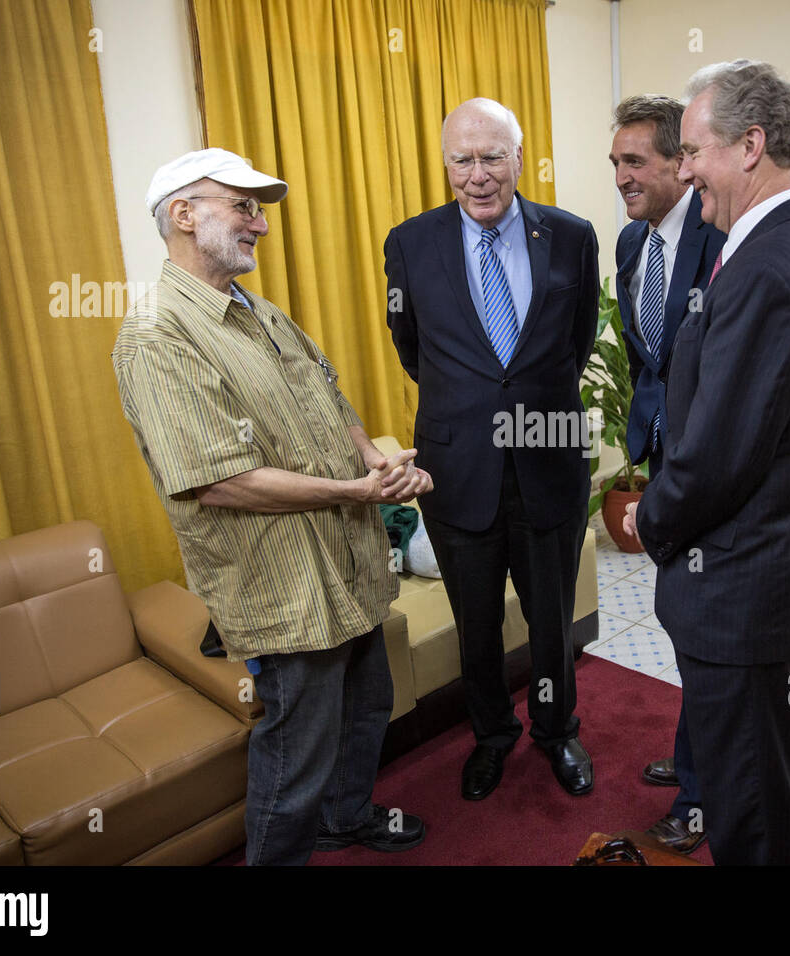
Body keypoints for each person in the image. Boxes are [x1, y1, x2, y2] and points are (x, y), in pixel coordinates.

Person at [112, 148, 431, 866]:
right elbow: (217, 481)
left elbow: (331, 401)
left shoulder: (262, 313)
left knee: (367, 709)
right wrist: (356, 493)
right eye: (243, 206)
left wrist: (375, 461)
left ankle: (346, 821)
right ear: (184, 215)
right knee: (295, 761)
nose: (260, 223)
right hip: (283, 589)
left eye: (260, 209)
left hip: (345, 565)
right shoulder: (156, 335)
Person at [624, 61, 790, 865]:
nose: (684, 169)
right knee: (765, 771)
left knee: (748, 803)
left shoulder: (768, 267)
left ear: (751, 145)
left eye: (693, 150)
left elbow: (719, 457)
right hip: (772, 569)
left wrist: (647, 517)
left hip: (743, 584)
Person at [384, 98, 600, 801]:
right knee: (475, 623)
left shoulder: (570, 236)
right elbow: (412, 349)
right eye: (461, 159)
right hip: (459, 469)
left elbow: (574, 341)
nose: (477, 175)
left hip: (549, 459)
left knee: (550, 618)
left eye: (492, 157)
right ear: (445, 162)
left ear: (518, 155)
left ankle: (556, 730)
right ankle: (491, 736)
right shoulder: (409, 244)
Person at [609, 94, 724, 854]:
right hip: (664, 459)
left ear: (682, 163)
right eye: (614, 162)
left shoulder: (718, 241)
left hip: (713, 470)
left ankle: (700, 797)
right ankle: (693, 758)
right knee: (682, 622)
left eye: (635, 161)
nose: (621, 175)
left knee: (705, 629)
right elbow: (649, 359)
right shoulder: (628, 243)